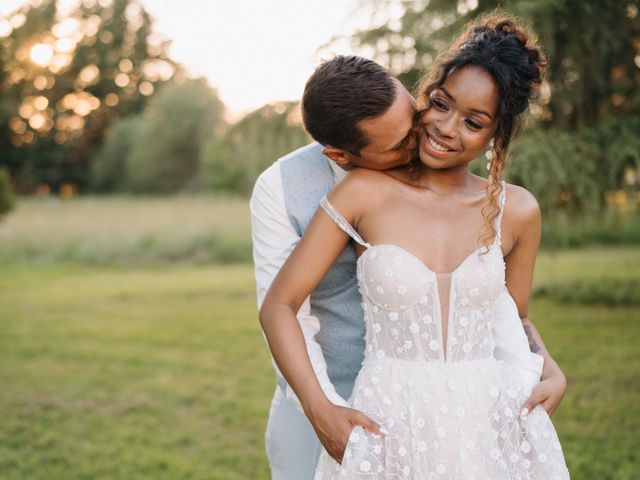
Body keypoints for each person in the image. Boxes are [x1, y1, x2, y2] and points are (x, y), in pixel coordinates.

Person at [258, 17, 569, 479]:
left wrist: (550, 368)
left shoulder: (518, 210)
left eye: (473, 121)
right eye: (440, 104)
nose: (444, 127)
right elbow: (279, 304)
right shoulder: (362, 192)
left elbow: (510, 317)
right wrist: (321, 409)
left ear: (495, 134)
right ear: (426, 95)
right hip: (390, 417)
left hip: (488, 422)